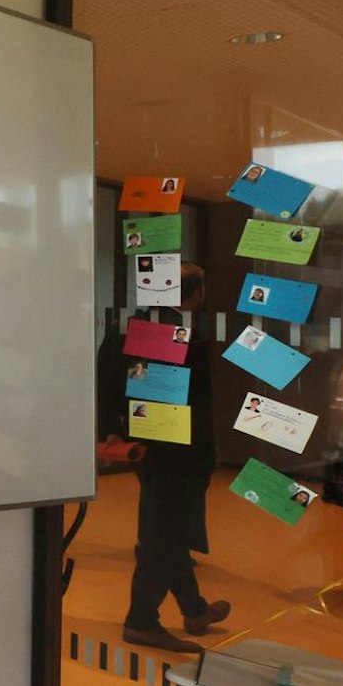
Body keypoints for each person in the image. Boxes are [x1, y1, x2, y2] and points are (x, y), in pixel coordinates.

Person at [123, 264, 228, 654]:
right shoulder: (176, 334)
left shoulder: (144, 326)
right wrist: (204, 449)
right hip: (177, 453)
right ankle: (141, 621)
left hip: (158, 448)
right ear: (198, 294)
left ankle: (194, 609)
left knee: (169, 531)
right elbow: (189, 402)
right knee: (164, 537)